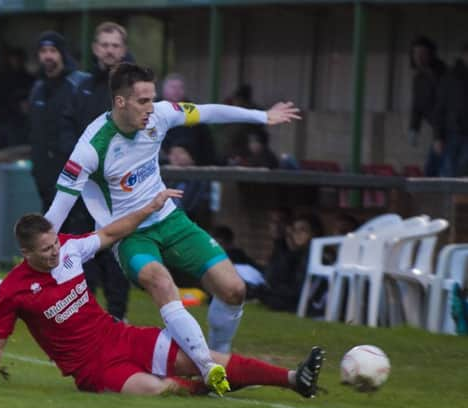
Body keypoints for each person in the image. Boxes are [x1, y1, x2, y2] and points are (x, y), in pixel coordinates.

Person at [44, 63, 301, 386]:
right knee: (161, 282)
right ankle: (208, 367)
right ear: (120, 102)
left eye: (153, 99)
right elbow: (59, 206)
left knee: (235, 290)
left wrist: (262, 117)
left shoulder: (160, 116)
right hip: (129, 235)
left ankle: (223, 357)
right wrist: (38, 255)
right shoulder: (91, 147)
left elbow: (207, 112)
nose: (151, 109)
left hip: (170, 220)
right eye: (143, 101)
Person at [0, 190, 325, 397]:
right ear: (25, 254)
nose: (54, 252)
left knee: (207, 358)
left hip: (120, 336)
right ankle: (202, 389)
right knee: (158, 390)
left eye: (54, 243)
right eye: (45, 250)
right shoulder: (13, 291)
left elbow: (111, 233)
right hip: (92, 369)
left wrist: (150, 208)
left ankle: (295, 380)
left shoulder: (70, 248)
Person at [60, 22, 132, 321]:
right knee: (83, 251)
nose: (109, 50)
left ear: (123, 50)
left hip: (120, 189)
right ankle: (86, 317)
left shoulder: (132, 89)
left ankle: (117, 317)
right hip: (85, 186)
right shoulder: (83, 88)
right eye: (104, 44)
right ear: (95, 48)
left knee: (117, 254)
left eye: (115, 45)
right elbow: (68, 130)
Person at [28, 30, 90, 214]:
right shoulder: (38, 88)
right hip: (44, 175)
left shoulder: (77, 84)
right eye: (43, 51)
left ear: (62, 53)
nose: (48, 56)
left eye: (53, 51)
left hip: (72, 174)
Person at [260, 213, 324, 313]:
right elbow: (271, 277)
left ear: (314, 233)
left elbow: (300, 288)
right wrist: (286, 243)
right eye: (294, 230)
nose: (297, 234)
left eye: (302, 230)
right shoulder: (294, 253)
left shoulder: (318, 255)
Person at [407, 36, 447, 176]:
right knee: (432, 172)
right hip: (439, 132)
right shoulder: (419, 79)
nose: (419, 57)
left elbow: (442, 108)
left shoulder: (442, 75)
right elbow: (417, 106)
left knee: (444, 172)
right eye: (416, 53)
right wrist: (413, 128)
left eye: (423, 53)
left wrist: (439, 136)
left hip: (452, 132)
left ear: (431, 55)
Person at [159, 73, 216, 166]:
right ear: (164, 90)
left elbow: (205, 142)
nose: (176, 91)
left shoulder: (195, 112)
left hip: (192, 164)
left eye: (180, 88)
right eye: (173, 87)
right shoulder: (153, 110)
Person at [433, 43, 468, 177]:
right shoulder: (450, 77)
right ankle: (447, 198)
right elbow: (439, 109)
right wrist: (437, 137)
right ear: (464, 55)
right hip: (452, 133)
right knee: (448, 171)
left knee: (462, 173)